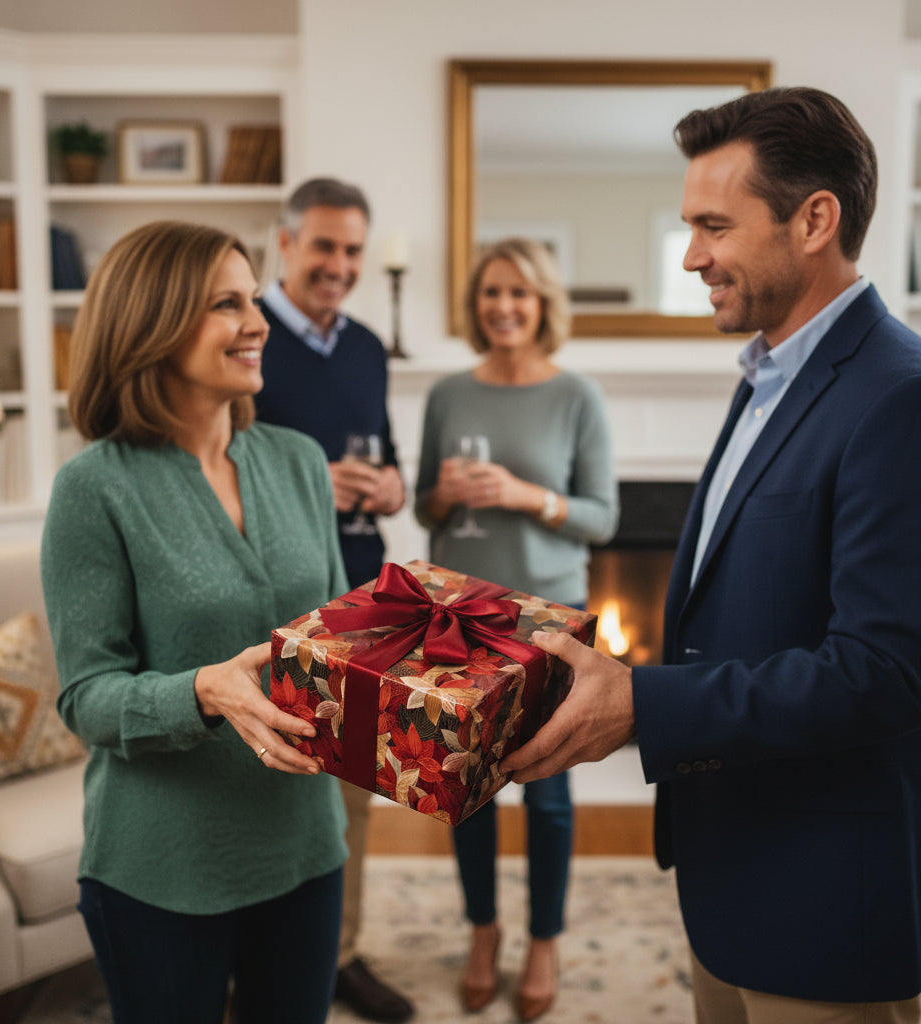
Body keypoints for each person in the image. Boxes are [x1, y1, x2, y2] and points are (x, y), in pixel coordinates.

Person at [502, 87, 921, 1024]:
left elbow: (885, 672)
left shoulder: (899, 396)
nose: (690, 256)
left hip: (827, 908)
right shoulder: (770, 371)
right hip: (728, 878)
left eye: (713, 226)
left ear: (816, 220)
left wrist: (639, 702)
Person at [41, 220, 350, 1024]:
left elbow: (348, 645)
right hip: (162, 866)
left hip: (306, 845)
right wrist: (204, 692)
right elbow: (87, 696)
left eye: (253, 300)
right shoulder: (93, 489)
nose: (258, 323)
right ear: (150, 322)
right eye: (226, 304)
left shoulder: (299, 462)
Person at [414, 237, 619, 1021]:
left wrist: (528, 495)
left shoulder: (578, 397)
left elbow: (603, 518)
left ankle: (543, 940)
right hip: (459, 614)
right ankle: (482, 932)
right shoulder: (447, 394)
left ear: (542, 306)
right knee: (464, 790)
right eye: (491, 293)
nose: (503, 306)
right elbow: (427, 509)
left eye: (519, 294)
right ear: (477, 304)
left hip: (548, 624)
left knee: (549, 793)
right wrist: (442, 494)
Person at [253, 177, 413, 1024]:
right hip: (276, 596)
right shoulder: (243, 335)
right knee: (269, 788)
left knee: (354, 788)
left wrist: (391, 486)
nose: (341, 266)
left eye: (353, 250)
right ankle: (255, 966)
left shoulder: (369, 348)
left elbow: (385, 459)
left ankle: (338, 955)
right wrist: (313, 476)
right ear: (285, 244)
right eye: (325, 247)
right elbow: (217, 462)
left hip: (362, 596)